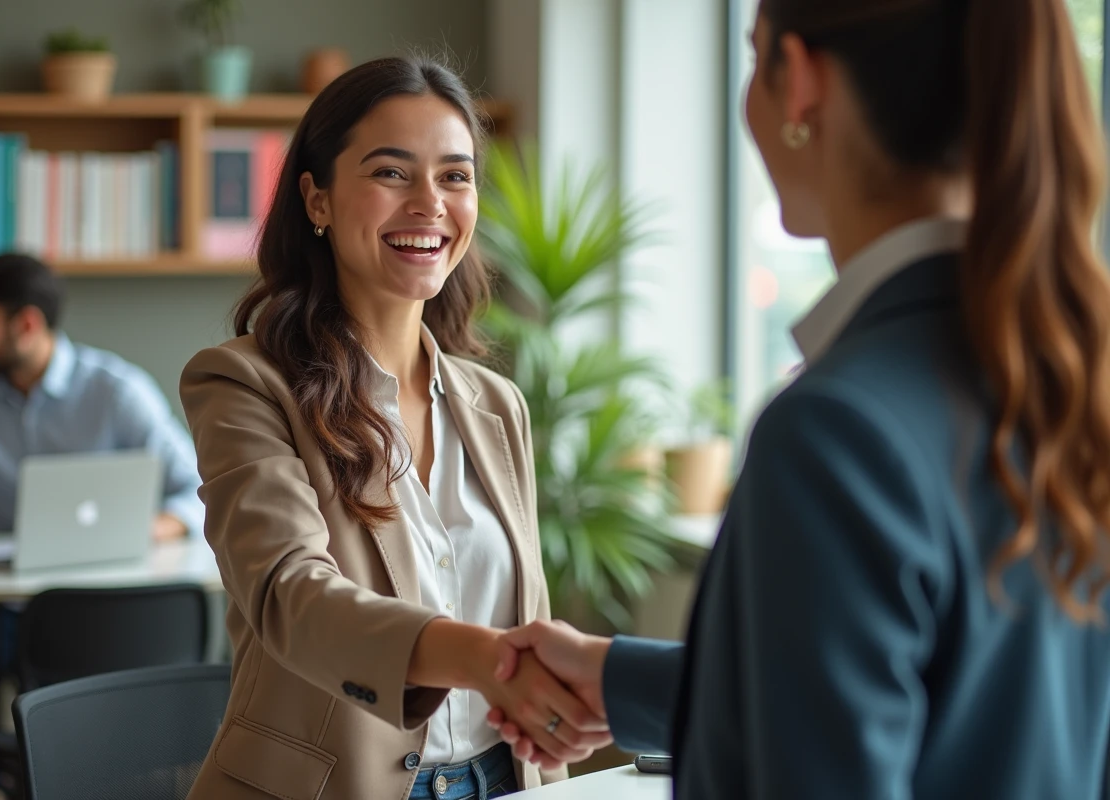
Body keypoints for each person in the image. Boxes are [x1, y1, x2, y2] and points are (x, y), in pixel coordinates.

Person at [487, 0, 1110, 798]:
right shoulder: (1066, 383)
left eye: (753, 56)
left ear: (802, 83)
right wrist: (621, 679)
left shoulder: (838, 435)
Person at [178, 55, 610, 800]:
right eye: (390, 173)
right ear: (316, 199)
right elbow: (291, 595)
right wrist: (484, 659)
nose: (430, 204)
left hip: (507, 780)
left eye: (455, 175)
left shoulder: (496, 404)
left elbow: (524, 609)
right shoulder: (243, 383)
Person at [0, 252, 204, 772]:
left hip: (115, 607)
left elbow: (199, 489)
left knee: (101, 720)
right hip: (14, 608)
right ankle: (24, 779)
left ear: (25, 324)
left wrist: (141, 527)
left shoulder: (116, 390)